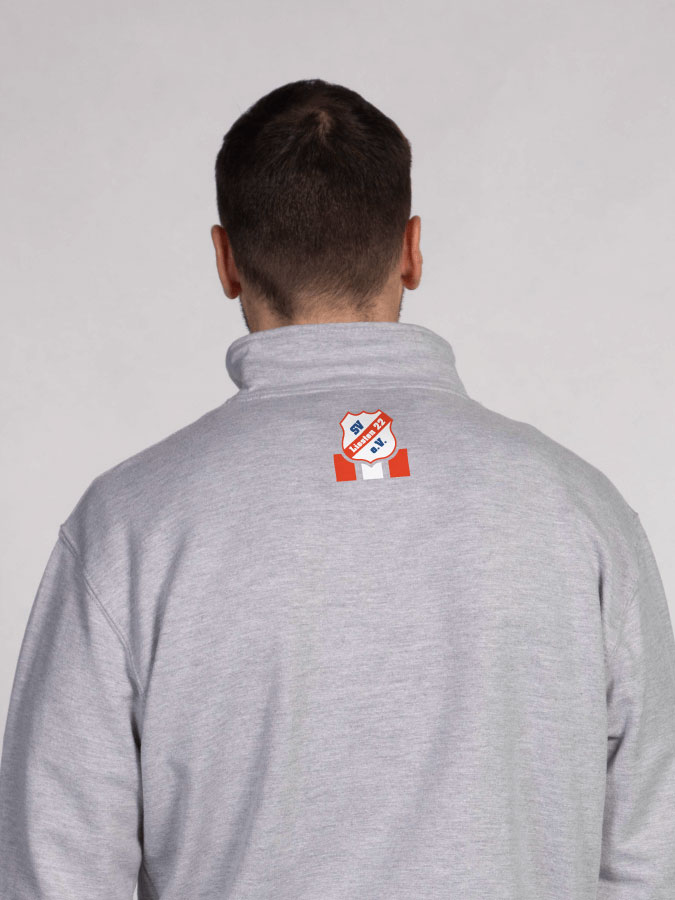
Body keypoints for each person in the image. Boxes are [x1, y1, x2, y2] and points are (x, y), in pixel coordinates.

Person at [0, 77, 674, 900]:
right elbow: (649, 856)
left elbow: (57, 872)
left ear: (225, 261)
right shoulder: (580, 512)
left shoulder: (129, 527)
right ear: (412, 250)